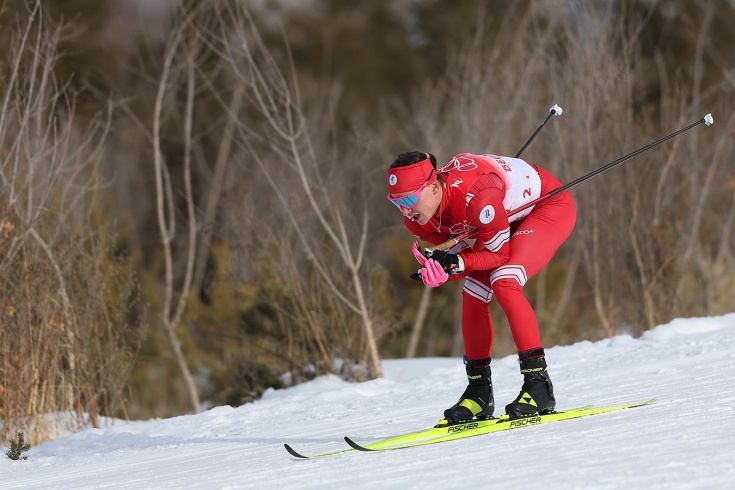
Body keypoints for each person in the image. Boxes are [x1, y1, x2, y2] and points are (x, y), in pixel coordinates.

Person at [387, 151, 576, 424]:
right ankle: (479, 393)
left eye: (407, 200)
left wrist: (456, 263)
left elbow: (497, 256)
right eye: (395, 202)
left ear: (432, 187)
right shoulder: (418, 218)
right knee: (474, 292)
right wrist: (443, 271)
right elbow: (464, 263)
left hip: (545, 207)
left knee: (505, 281)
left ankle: (539, 385)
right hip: (500, 219)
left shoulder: (476, 195)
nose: (404, 210)